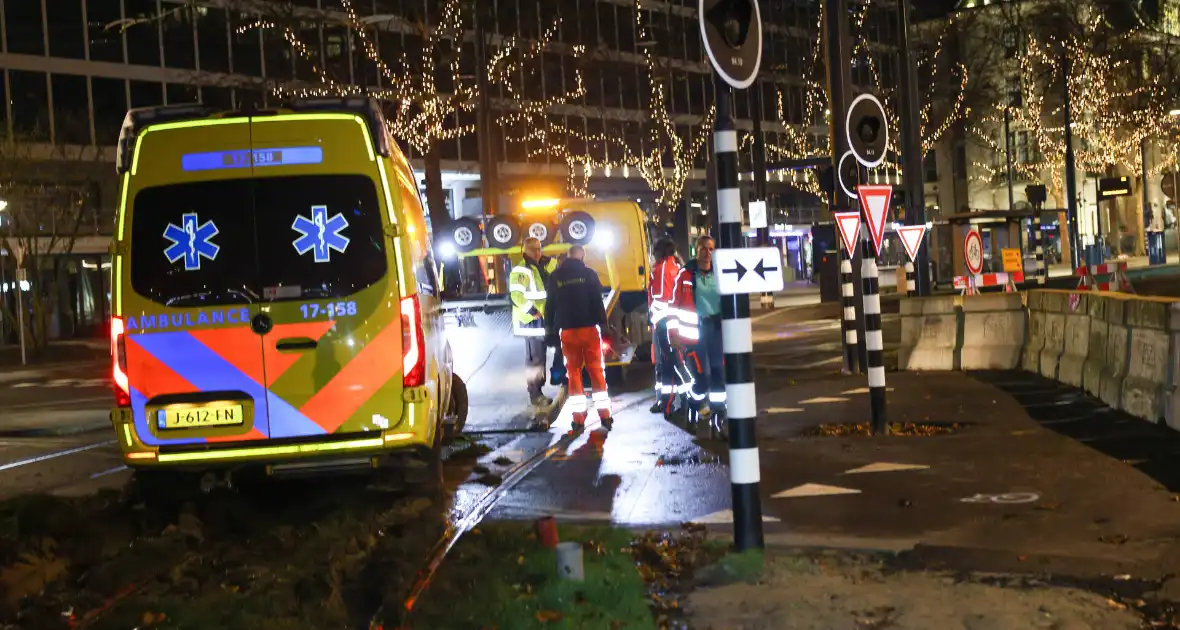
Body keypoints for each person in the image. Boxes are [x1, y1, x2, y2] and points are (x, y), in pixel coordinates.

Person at [545, 245, 613, 431]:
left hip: (567, 331)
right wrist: (604, 325)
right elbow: (597, 301)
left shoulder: (555, 277)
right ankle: (605, 416)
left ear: (567, 257)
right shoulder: (589, 274)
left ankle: (578, 419)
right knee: (596, 371)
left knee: (573, 373)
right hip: (589, 329)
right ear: (582, 256)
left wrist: (549, 331)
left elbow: (549, 305)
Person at [670, 235, 725, 436]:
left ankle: (717, 422)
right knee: (702, 379)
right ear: (696, 249)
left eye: (711, 249)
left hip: (717, 330)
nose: (707, 253)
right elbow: (673, 307)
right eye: (703, 248)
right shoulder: (685, 275)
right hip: (694, 333)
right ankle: (693, 411)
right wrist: (673, 334)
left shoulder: (720, 273)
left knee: (720, 377)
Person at [509, 237, 561, 408]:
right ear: (526, 251)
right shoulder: (521, 271)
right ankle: (535, 394)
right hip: (531, 321)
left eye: (539, 249)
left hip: (545, 319)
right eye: (534, 250)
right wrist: (532, 311)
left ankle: (553, 379)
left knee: (551, 353)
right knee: (535, 361)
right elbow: (516, 296)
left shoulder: (545, 265)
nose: (538, 253)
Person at [648, 238, 684, 416]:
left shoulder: (662, 269)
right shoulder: (676, 266)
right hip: (674, 321)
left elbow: (661, 296)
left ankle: (668, 403)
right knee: (674, 362)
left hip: (664, 322)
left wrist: (652, 313)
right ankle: (678, 402)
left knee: (670, 363)